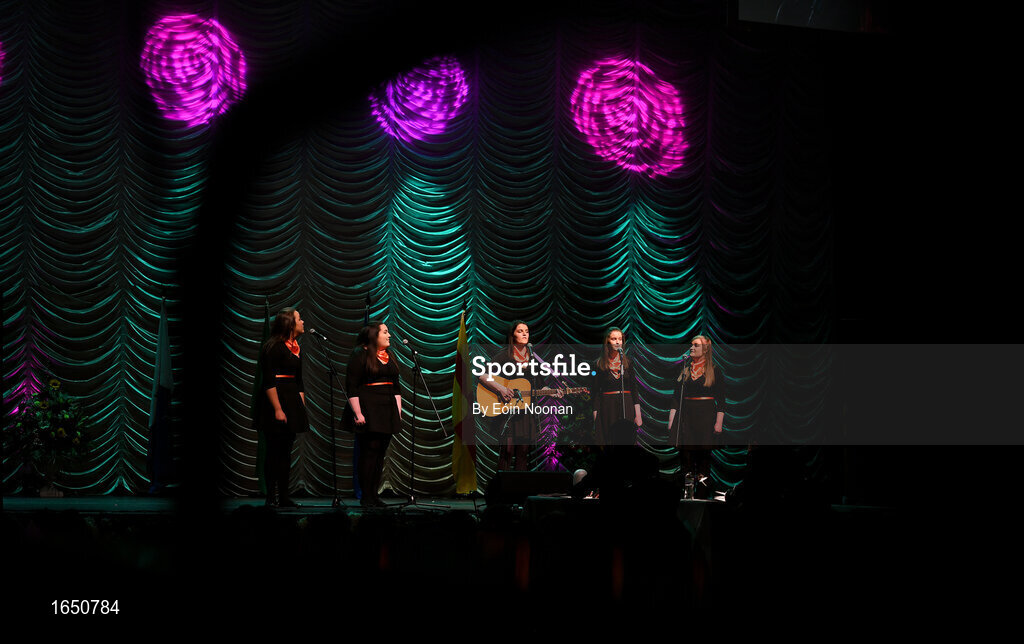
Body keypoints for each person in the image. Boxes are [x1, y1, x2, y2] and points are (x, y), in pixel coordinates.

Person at [345, 321, 401, 508]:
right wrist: (358, 413)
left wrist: (398, 413)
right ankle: (366, 496)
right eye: (385, 332)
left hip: (387, 408)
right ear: (373, 336)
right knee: (369, 452)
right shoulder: (360, 355)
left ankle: (374, 495)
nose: (389, 335)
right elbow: (351, 387)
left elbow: (396, 387)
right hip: (368, 408)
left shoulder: (389, 355)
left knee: (380, 454)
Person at [258, 307, 309, 507]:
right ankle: (271, 496)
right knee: (273, 452)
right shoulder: (273, 347)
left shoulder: (296, 347)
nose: (303, 322)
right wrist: (278, 409)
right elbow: (269, 381)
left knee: (286, 452)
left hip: (291, 400)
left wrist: (301, 407)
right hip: (275, 401)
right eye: (299, 318)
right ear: (290, 323)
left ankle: (285, 496)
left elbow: (299, 381)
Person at [667, 335, 725, 497]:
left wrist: (718, 423)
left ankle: (702, 495)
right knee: (686, 459)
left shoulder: (714, 369)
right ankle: (686, 494)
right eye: (691, 345)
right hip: (686, 418)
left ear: (705, 349)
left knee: (703, 460)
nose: (692, 348)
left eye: (696, 345)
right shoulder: (685, 370)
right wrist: (672, 420)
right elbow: (676, 397)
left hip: (706, 418)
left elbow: (721, 400)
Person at [478, 321, 538, 471]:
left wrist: (553, 392)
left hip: (525, 411)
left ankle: (519, 491)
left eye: (527, 331)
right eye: (520, 331)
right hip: (507, 412)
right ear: (512, 335)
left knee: (523, 451)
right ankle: (502, 489)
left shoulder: (533, 359)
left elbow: (539, 385)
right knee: (507, 450)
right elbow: (483, 375)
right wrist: (501, 389)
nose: (525, 334)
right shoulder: (505, 356)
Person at [592, 328, 642, 448]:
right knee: (611, 441)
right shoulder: (598, 364)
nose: (618, 342)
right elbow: (595, 392)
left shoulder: (628, 363)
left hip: (626, 403)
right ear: (607, 341)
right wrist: (596, 416)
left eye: (620, 339)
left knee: (627, 441)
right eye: (614, 339)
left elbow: (634, 389)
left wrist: (638, 414)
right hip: (608, 407)